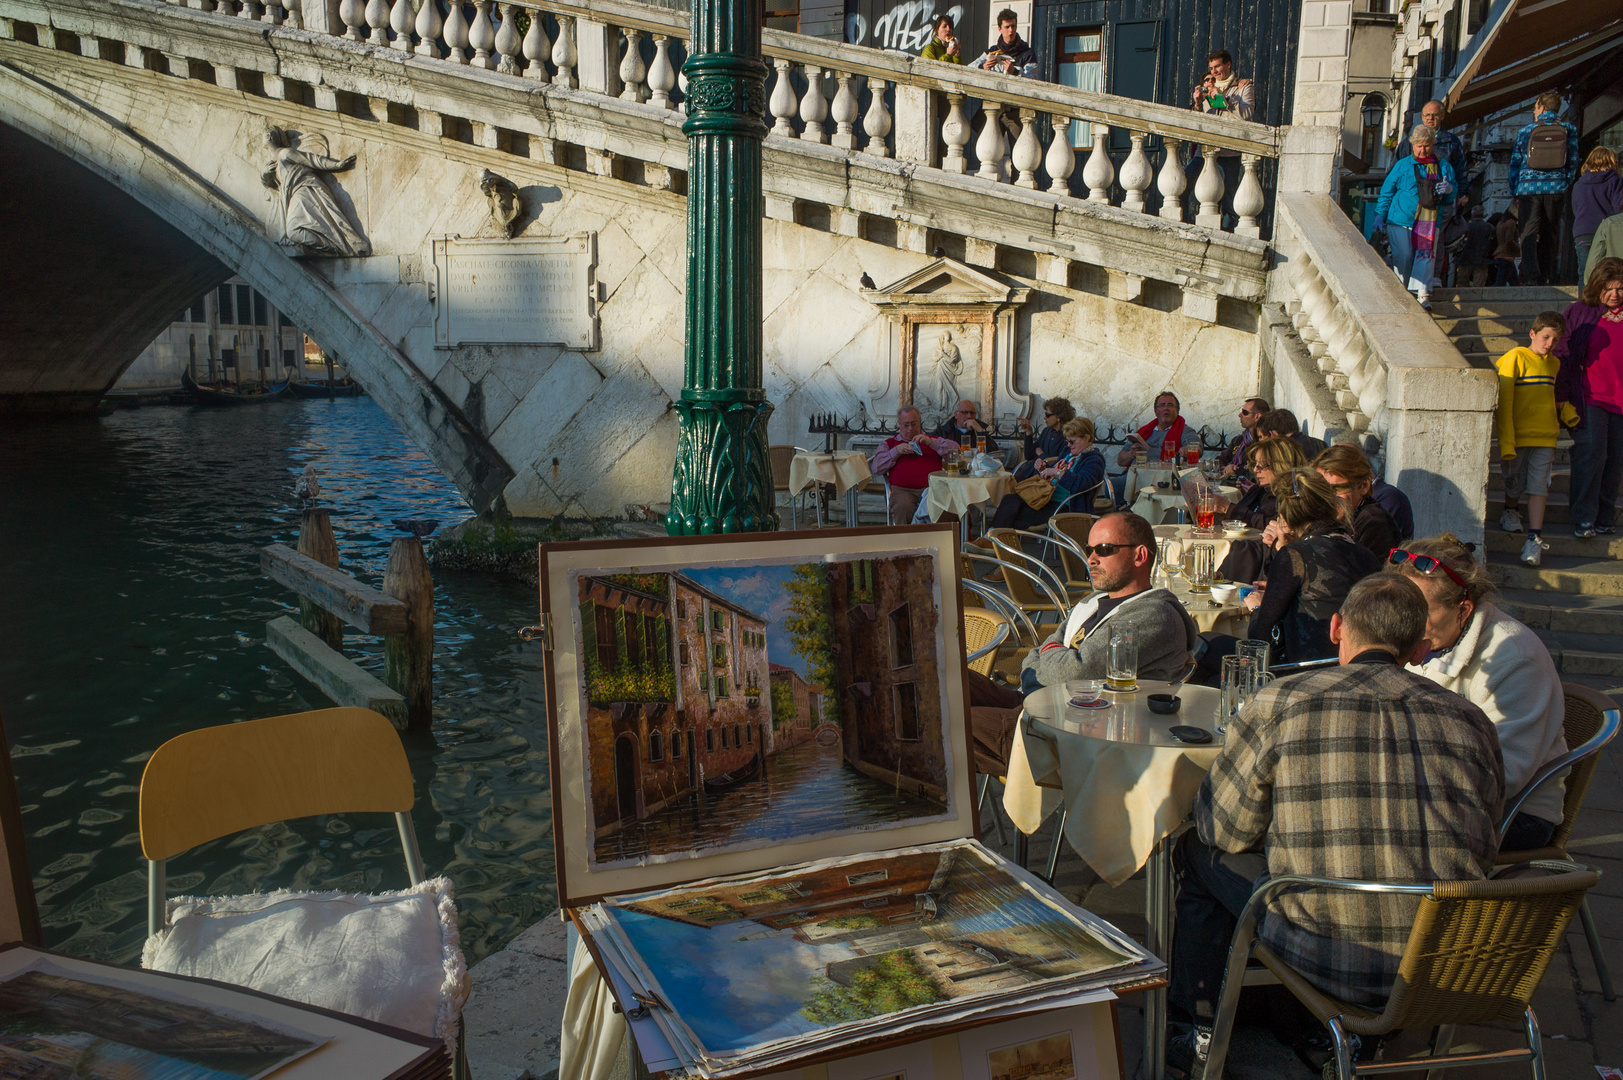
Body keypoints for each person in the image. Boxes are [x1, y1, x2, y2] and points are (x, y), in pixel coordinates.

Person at [1168, 574, 1502, 1076]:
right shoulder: (1471, 719)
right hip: (1446, 957)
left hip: (1327, 952)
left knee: (1197, 850)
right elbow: (1485, 843)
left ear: (1336, 628)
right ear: (1417, 648)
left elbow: (1223, 830)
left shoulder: (1282, 701)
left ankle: (1194, 1034)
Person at [1387, 536, 1568, 851]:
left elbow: (1505, 776)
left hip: (1515, 812)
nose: (1406, 623)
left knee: (1379, 830)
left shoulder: (1516, 659)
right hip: (1436, 792)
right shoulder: (1430, 638)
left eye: (1421, 612)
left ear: (1463, 609)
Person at [1201, 470, 1382, 673]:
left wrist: (1257, 608)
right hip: (1356, 668)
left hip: (1301, 671)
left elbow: (1259, 638)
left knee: (1205, 644)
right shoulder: (1366, 555)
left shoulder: (1296, 556)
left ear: (1285, 518)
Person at [1020, 512, 1199, 692]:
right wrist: (1042, 668)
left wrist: (1036, 673)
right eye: (1089, 550)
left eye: (1104, 549)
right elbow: (1039, 653)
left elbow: (1072, 673)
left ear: (1139, 556)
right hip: (1045, 702)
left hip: (1077, 716)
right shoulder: (1092, 601)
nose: (1091, 559)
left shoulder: (1154, 616)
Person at [1555, 257, 1623, 538]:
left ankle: (1606, 517)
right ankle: (1584, 517)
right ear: (1597, 286)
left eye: (1620, 288)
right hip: (1589, 397)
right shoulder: (1580, 311)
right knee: (1591, 455)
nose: (1614, 295)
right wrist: (1560, 395)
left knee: (1616, 460)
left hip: (1621, 401)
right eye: (1608, 288)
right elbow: (1562, 352)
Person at [1496, 310, 1569, 565]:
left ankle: (1534, 539)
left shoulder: (1554, 364)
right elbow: (1504, 402)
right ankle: (1510, 510)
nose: (1550, 344)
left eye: (1556, 340)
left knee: (1540, 486)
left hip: (1546, 435)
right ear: (1533, 334)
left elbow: (1548, 395)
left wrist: (1567, 415)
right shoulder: (1515, 357)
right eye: (1546, 337)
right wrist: (1506, 440)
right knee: (1513, 480)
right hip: (1518, 435)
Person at [1373, 124, 1457, 309]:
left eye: (1426, 145)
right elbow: (1387, 191)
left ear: (1433, 145)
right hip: (1400, 220)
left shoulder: (1443, 166)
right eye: (1419, 145)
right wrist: (1380, 214)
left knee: (1425, 256)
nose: (1422, 149)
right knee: (1404, 255)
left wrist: (1449, 189)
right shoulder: (1402, 166)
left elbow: (1452, 193)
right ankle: (1402, 291)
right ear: (1412, 145)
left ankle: (1423, 294)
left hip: (1429, 219)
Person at [261, 127, 371, 257]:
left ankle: (336, 247)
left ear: (268, 137)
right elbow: (271, 183)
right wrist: (265, 174)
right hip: (292, 195)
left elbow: (311, 160)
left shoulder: (285, 153)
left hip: (304, 191)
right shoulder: (272, 164)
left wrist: (336, 165)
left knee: (293, 230)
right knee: (294, 231)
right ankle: (330, 247)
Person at [1395, 101, 1469, 289]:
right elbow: (1396, 169)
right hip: (1413, 200)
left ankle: (1433, 276)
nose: (1430, 118)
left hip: (1440, 199)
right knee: (1411, 236)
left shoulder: (1451, 142)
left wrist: (1462, 192)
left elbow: (1460, 169)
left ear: (1442, 117)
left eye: (1434, 115)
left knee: (1436, 237)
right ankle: (1412, 277)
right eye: (1427, 115)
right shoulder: (1407, 142)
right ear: (1422, 117)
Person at [1509, 91, 1580, 286]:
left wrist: (1514, 189)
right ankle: (1545, 273)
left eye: (1535, 107)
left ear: (1541, 107)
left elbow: (1515, 163)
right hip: (1555, 187)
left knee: (1528, 232)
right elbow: (1573, 160)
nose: (1534, 111)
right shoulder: (1568, 129)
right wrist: (1565, 182)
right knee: (1550, 231)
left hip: (1527, 189)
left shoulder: (1526, 131)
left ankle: (1530, 273)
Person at [989, 418, 1105, 529]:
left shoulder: (1094, 460)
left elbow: (1082, 484)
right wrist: (1044, 468)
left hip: (1064, 505)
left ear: (1086, 438)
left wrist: (1056, 471)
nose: (1068, 445)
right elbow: (1055, 470)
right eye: (1067, 441)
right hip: (1045, 496)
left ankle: (994, 539)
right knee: (1010, 500)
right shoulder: (1068, 452)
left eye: (1072, 441)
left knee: (1015, 515)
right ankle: (993, 538)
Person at [1186, 49, 1256, 228]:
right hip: (1206, 150)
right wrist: (1197, 103)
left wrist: (1222, 98)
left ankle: (1226, 235)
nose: (1214, 71)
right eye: (1211, 67)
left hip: (1229, 152)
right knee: (1183, 183)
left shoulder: (1243, 87)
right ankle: (1183, 222)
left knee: (1228, 200)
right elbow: (1196, 121)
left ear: (1228, 64)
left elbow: (1246, 115)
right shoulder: (1207, 86)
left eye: (1217, 66)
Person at [1314, 444, 1403, 558]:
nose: (1328, 498)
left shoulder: (1374, 523)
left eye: (1338, 489)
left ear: (1364, 486)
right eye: (1322, 489)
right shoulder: (1328, 516)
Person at [871, 406, 957, 525]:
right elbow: (876, 468)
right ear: (899, 424)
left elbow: (956, 451)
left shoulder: (931, 440)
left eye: (914, 424)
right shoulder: (890, 444)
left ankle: (939, 541)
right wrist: (896, 452)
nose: (910, 428)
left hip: (933, 489)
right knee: (903, 507)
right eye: (906, 425)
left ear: (919, 423)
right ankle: (907, 542)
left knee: (946, 507)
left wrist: (932, 443)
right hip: (903, 490)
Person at [1225, 435, 1304, 531]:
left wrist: (1227, 508)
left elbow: (1275, 527)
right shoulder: (1262, 490)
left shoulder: (1291, 497)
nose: (1255, 470)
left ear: (1279, 466)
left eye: (1261, 466)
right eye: (1255, 464)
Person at [1573, 147, 1623, 275]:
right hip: (1607, 232)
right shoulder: (1615, 181)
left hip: (1583, 232)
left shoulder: (1579, 184)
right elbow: (1619, 209)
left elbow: (1576, 209)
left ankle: (1585, 295)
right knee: (1609, 273)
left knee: (1585, 274)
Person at [1116, 391, 1201, 468]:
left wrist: (1187, 450)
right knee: (1112, 484)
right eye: (1162, 405)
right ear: (1156, 411)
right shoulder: (1143, 432)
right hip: (1135, 475)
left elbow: (1197, 448)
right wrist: (1131, 454)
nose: (1166, 408)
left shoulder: (1184, 431)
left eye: (1170, 405)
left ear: (1177, 411)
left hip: (1164, 478)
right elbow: (1120, 461)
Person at [971, 9, 1035, 77]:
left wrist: (1015, 72)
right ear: (999, 29)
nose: (1011, 30)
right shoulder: (993, 51)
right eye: (1007, 27)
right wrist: (983, 67)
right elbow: (969, 68)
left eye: (1013, 26)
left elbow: (1033, 80)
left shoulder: (1028, 54)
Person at [1217, 396, 1269, 475]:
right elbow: (1221, 459)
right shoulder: (1239, 440)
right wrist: (1226, 469)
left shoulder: (1263, 442)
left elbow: (1255, 472)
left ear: (1257, 416)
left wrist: (1235, 470)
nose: (1240, 415)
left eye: (1245, 412)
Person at [1018, 396, 1074, 465]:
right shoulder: (1047, 431)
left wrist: (1041, 454)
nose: (1044, 418)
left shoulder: (1067, 436)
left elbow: (1059, 463)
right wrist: (1028, 432)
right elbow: (1029, 455)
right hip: (1033, 470)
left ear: (1058, 417)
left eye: (1047, 415)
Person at [1254, 408, 1326, 460]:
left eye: (1261, 437)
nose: (1260, 442)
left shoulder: (1287, 455)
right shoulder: (1319, 443)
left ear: (1272, 434)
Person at [931, 399, 1000, 453]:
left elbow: (994, 453)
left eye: (972, 413)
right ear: (956, 415)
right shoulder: (943, 431)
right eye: (965, 412)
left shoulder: (980, 429)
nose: (969, 416)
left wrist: (980, 431)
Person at [1456, 204, 1497, 288]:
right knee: (1479, 284)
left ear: (1472, 214)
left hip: (1465, 258)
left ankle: (1463, 299)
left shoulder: (1466, 227)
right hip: (1482, 258)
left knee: (1462, 283)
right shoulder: (1489, 227)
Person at [1493, 204, 1522, 287]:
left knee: (1515, 283)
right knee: (1500, 283)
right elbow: (1509, 240)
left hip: (1500, 255)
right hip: (1506, 256)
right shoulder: (1511, 223)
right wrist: (1519, 249)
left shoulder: (1500, 223)